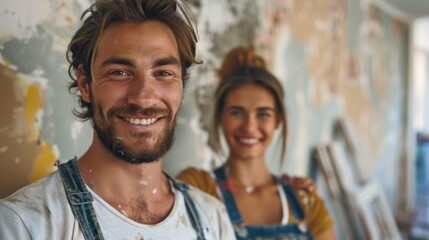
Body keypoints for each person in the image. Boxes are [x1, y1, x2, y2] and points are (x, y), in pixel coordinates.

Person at [0, 0, 236, 239]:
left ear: (181, 86)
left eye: (163, 73)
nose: (143, 98)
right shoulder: (24, 224)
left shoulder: (212, 218)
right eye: (119, 73)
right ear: (85, 85)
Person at [177, 46, 336, 239]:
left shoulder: (306, 201)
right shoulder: (197, 186)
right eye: (236, 112)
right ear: (220, 117)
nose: (250, 127)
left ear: (278, 120)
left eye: (263, 114)